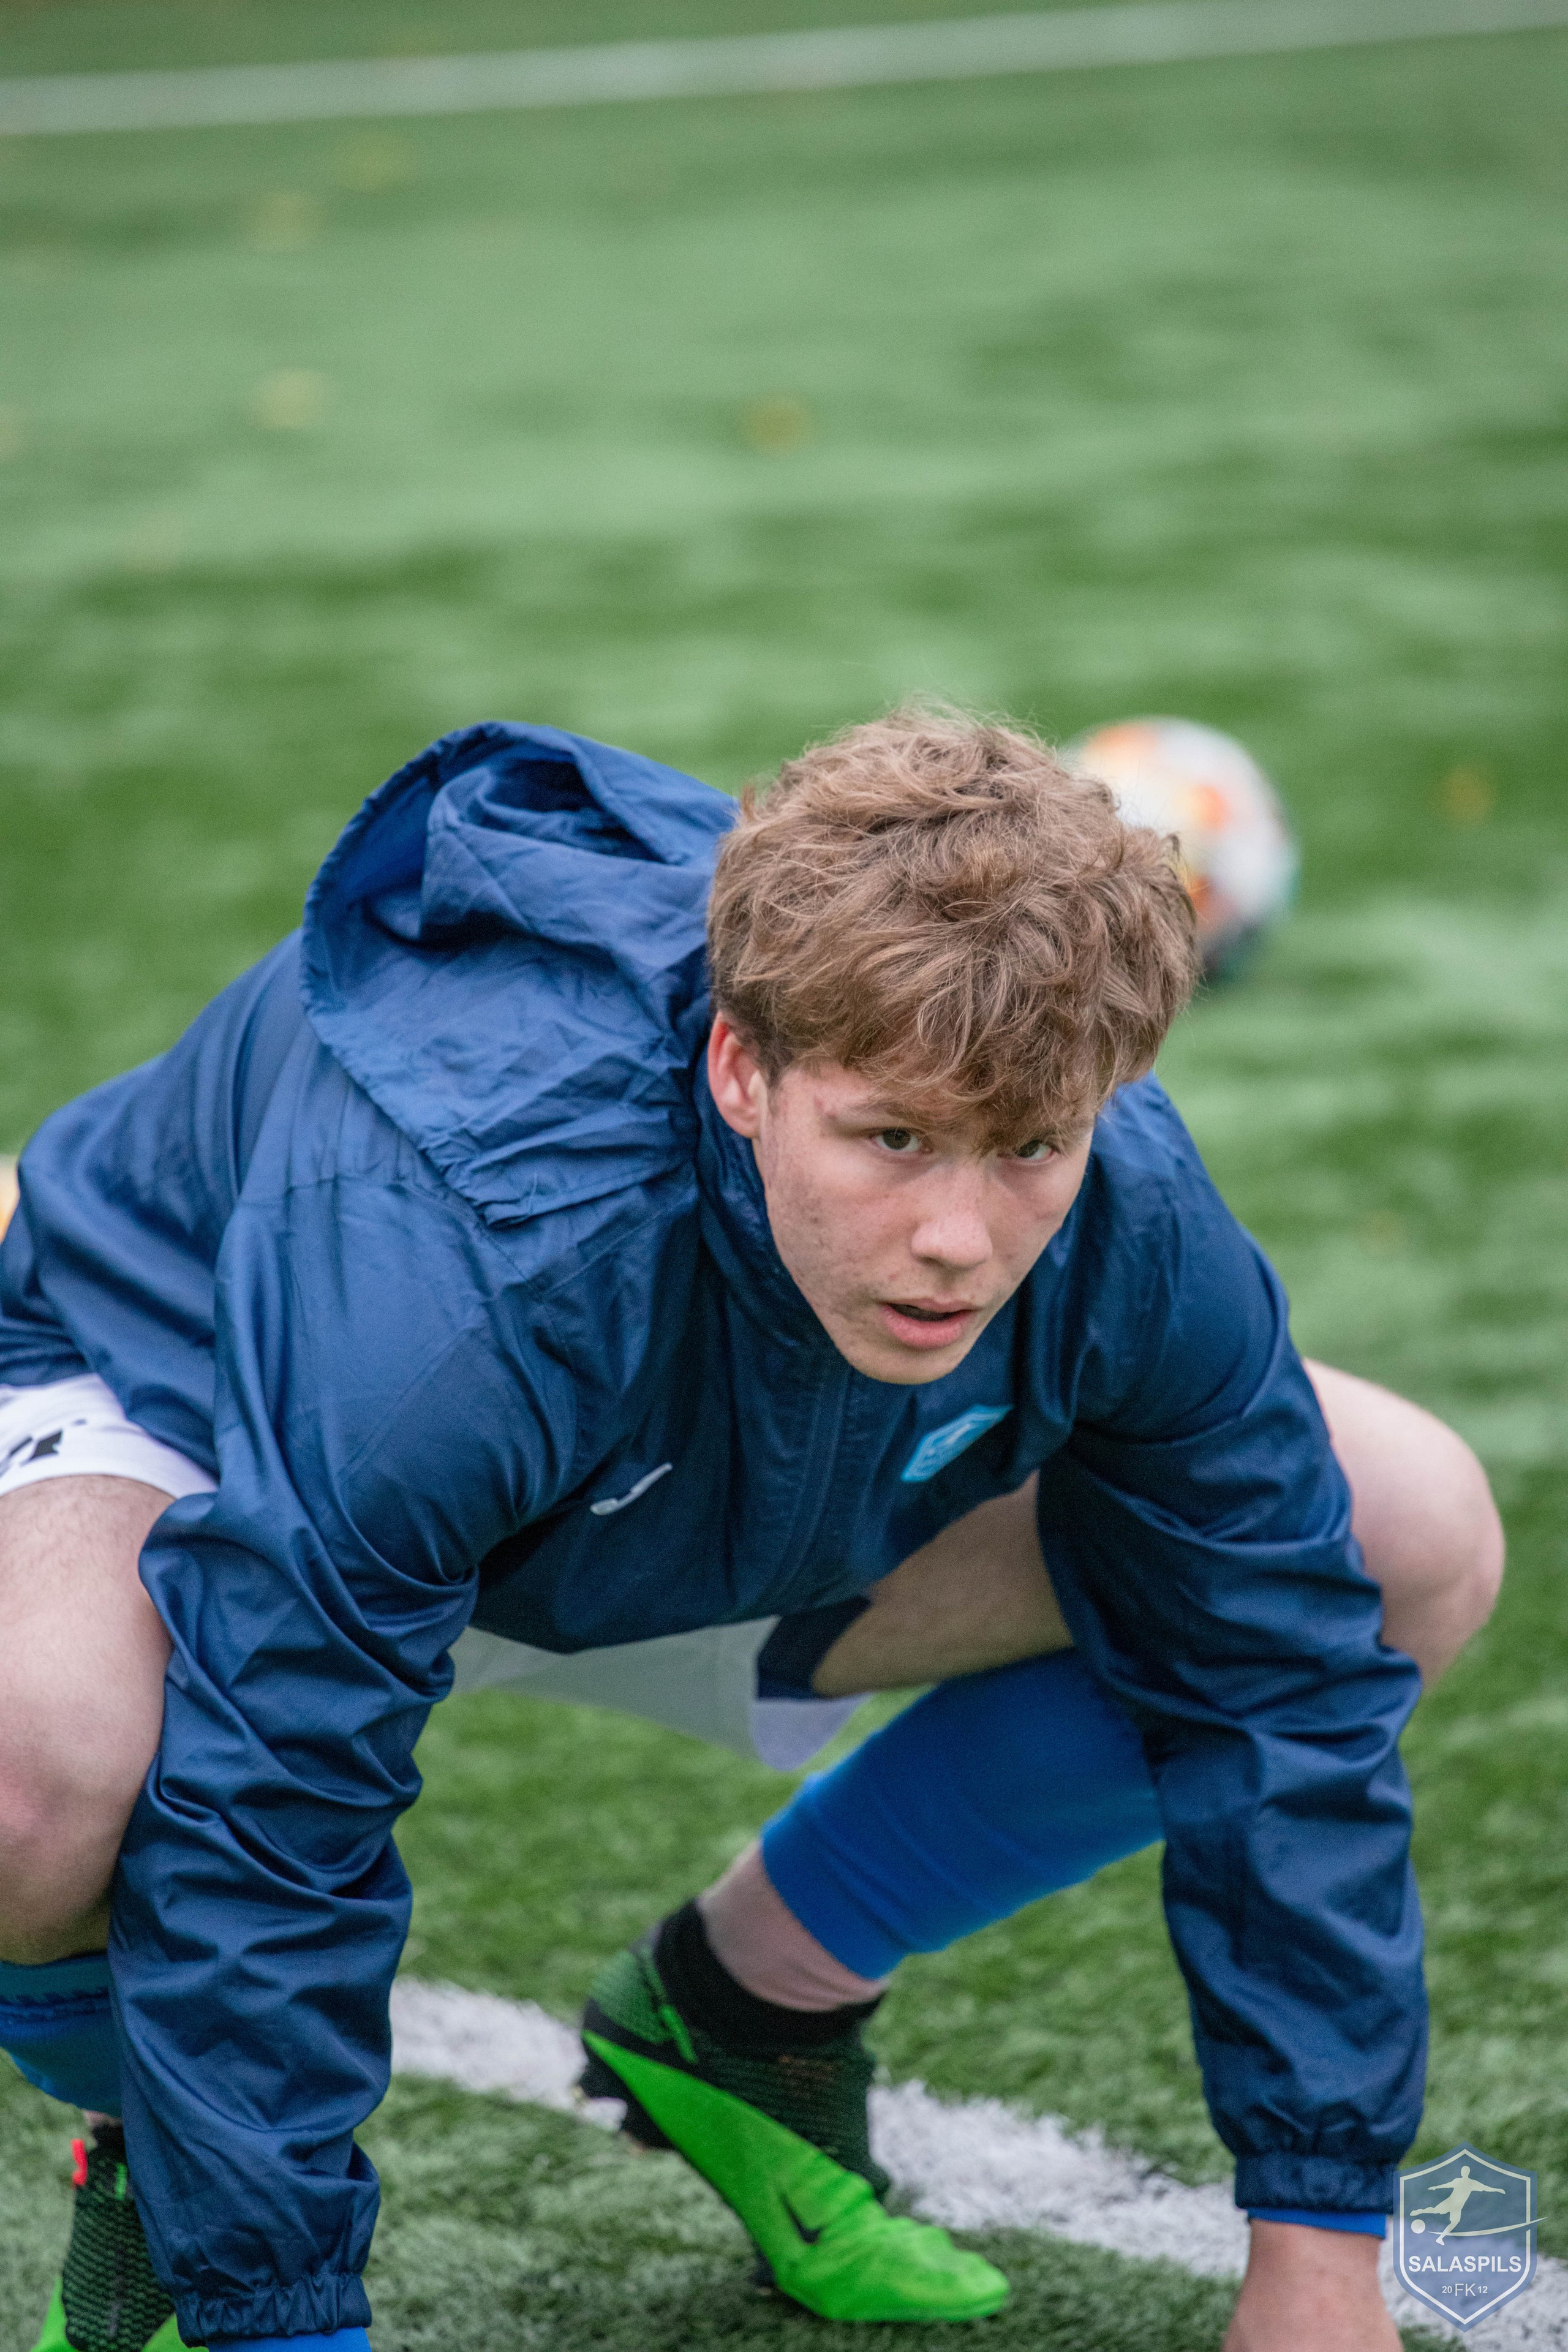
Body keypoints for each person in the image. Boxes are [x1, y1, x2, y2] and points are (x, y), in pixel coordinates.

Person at [0, 712, 1501, 2352]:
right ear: (741, 1069)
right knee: (30, 1780)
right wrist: (284, 2319)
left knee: (1399, 1536)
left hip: (693, 1489)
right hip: (208, 1422)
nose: (958, 1237)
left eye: (1029, 1148)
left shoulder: (1124, 1206)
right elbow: (275, 1796)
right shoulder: (474, 1254)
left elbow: (1278, 1679)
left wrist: (1319, 2255)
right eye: (892, 1138)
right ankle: (153, 2156)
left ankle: (749, 2010)